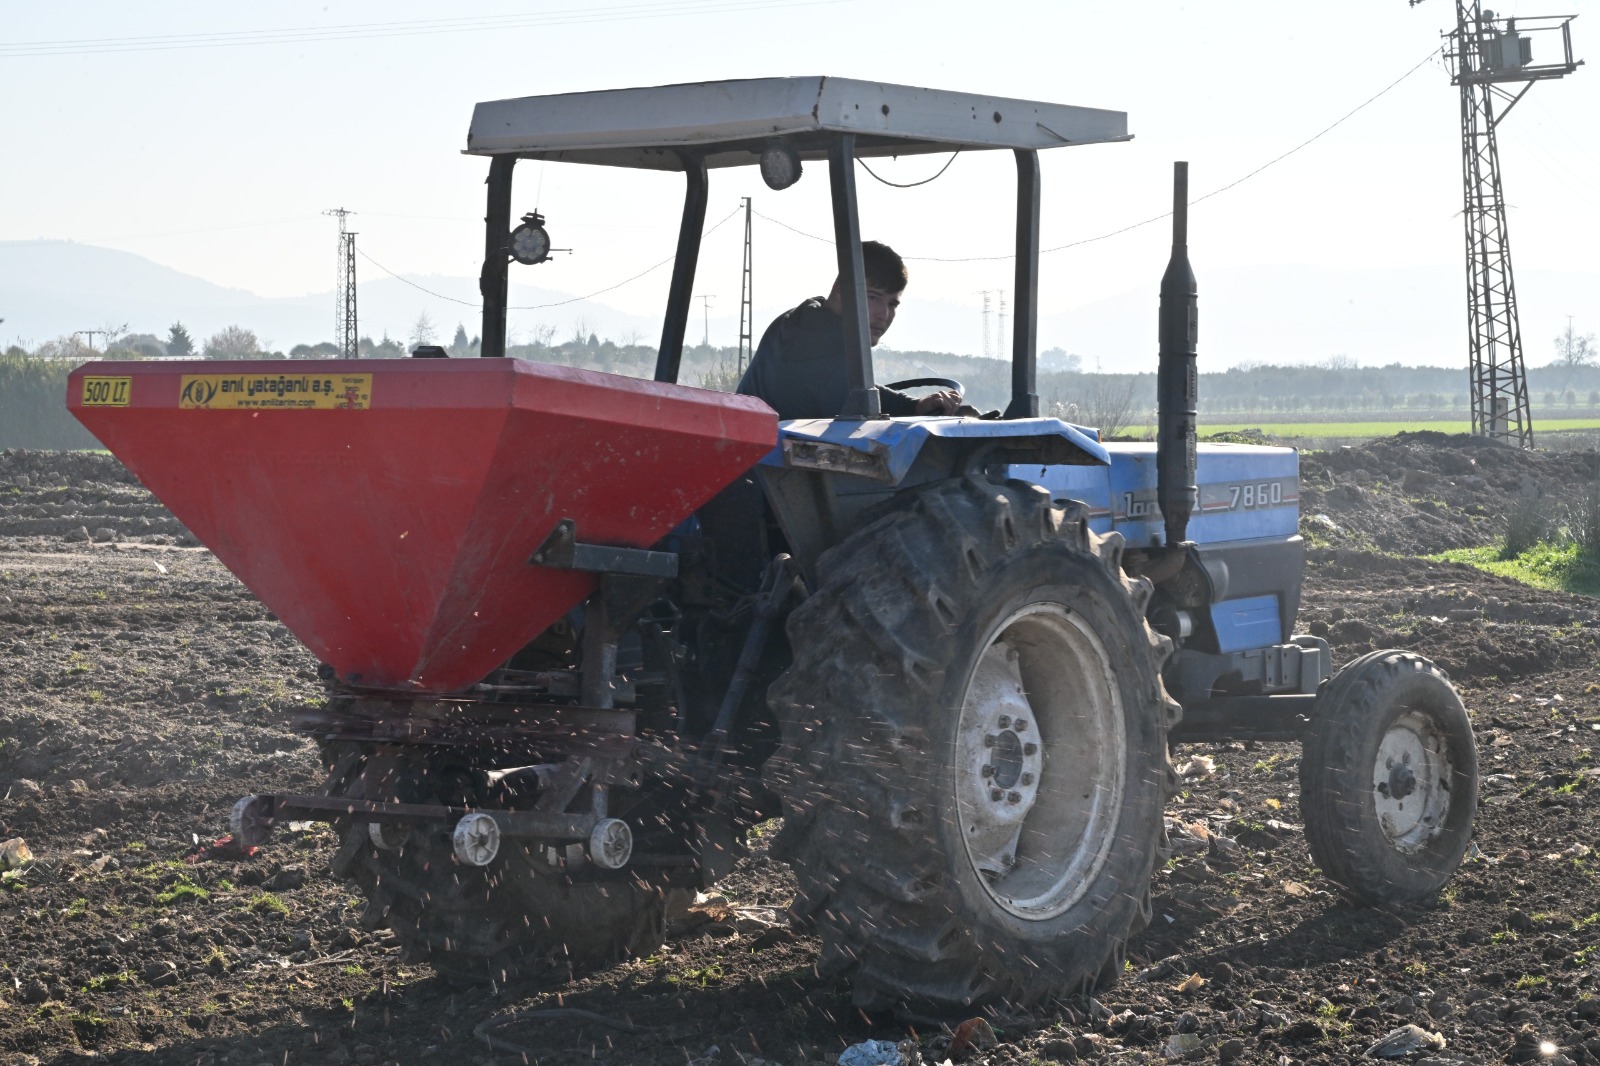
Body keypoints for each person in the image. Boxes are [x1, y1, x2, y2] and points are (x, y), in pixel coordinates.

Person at [736, 240, 962, 419]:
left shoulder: (801, 321)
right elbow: (861, 416)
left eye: (892, 304)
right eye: (873, 298)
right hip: (771, 469)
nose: (883, 314)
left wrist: (914, 406)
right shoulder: (819, 345)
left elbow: (857, 389)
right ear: (842, 292)